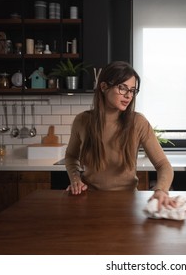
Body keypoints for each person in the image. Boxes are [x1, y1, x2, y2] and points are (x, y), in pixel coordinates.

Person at [65, 61, 175, 208]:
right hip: (90, 201)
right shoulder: (82, 121)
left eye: (132, 90)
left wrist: (161, 190)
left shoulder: (138, 122)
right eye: (122, 88)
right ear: (104, 87)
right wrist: (75, 178)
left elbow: (163, 165)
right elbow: (71, 156)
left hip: (128, 202)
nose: (128, 95)